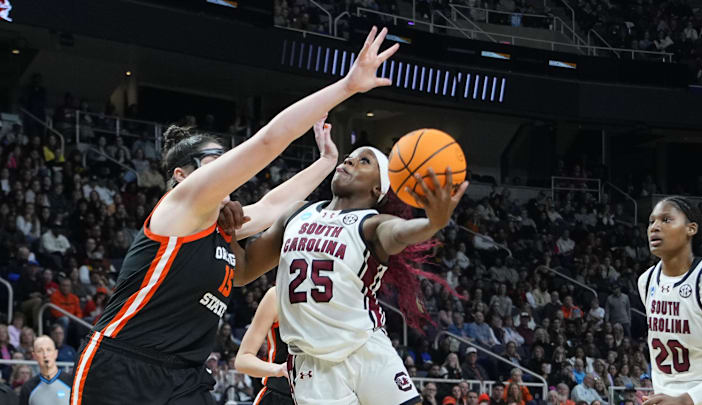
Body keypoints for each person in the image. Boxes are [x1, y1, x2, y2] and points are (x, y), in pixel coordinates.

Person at [70, 26, 398, 405]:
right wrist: (347, 86)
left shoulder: (220, 226)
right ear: (182, 175)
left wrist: (327, 162)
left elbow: (275, 207)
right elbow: (268, 141)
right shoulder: (184, 205)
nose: (225, 166)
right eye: (214, 161)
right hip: (123, 365)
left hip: (185, 376)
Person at [235, 100, 468, 405]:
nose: (349, 161)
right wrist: (225, 225)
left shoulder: (372, 224)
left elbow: (399, 233)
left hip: (365, 349)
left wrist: (432, 223)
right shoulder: (297, 214)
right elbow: (242, 271)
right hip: (311, 364)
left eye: (364, 161)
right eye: (349, 157)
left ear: (378, 189)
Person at [638, 196, 702, 405]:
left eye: (666, 220)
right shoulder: (646, 281)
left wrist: (685, 399)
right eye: (651, 221)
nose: (655, 227)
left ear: (691, 229)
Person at [234, 287, 292, 405]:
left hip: (329, 394)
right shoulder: (278, 295)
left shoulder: (338, 294)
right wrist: (278, 369)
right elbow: (242, 359)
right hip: (281, 394)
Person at [19, 335, 73, 405]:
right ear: (34, 356)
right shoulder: (28, 388)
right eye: (40, 351)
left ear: (56, 353)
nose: (45, 355)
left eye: (48, 349)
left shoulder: (72, 383)